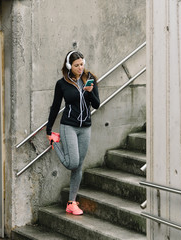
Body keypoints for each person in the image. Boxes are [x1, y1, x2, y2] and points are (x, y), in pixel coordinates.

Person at [46, 51, 100, 215]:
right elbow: (55, 107)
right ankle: (55, 143)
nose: (80, 68)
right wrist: (49, 129)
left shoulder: (89, 78)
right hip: (68, 126)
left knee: (79, 166)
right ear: (69, 66)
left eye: (82, 64)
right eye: (76, 65)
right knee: (72, 163)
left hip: (86, 128)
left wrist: (90, 91)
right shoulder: (62, 84)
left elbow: (96, 105)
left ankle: (71, 202)